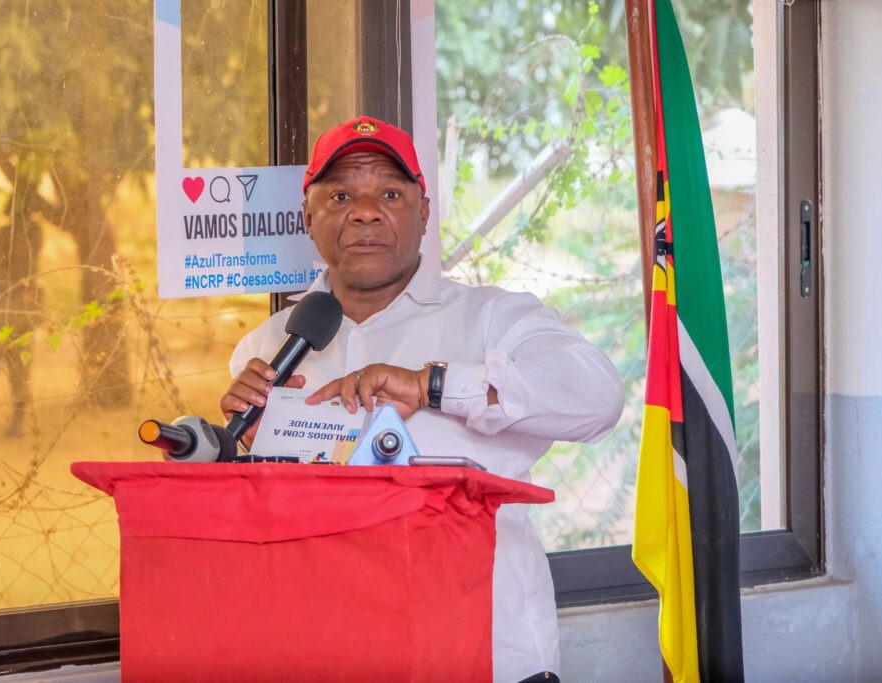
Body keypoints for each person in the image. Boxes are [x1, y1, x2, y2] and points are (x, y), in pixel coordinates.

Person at [220, 115, 624, 682]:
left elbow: (598, 397)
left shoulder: (492, 317)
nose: (365, 212)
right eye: (340, 195)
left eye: (390, 193)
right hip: (333, 652)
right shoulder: (266, 347)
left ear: (424, 212)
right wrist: (242, 448)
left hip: (485, 652)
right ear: (307, 216)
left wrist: (433, 386)